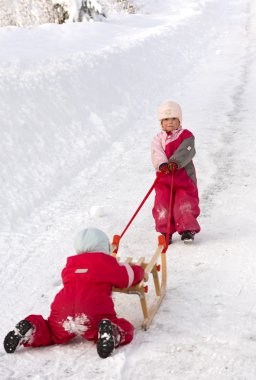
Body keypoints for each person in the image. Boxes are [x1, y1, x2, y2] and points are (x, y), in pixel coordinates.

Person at [3, 228, 145, 358]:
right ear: (105, 247)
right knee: (126, 328)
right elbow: (127, 277)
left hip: (63, 309)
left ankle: (31, 329)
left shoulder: (70, 265)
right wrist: (139, 271)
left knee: (51, 332)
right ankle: (111, 333)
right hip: (92, 310)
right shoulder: (107, 263)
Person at [151, 101, 200, 243]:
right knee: (162, 202)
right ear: (161, 122)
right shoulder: (158, 139)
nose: (170, 122)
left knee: (184, 202)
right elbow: (156, 153)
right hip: (164, 178)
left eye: (173, 119)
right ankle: (165, 231)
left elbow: (187, 149)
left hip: (184, 178)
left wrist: (175, 162)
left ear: (180, 120)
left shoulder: (186, 135)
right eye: (166, 119)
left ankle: (187, 229)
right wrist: (162, 165)